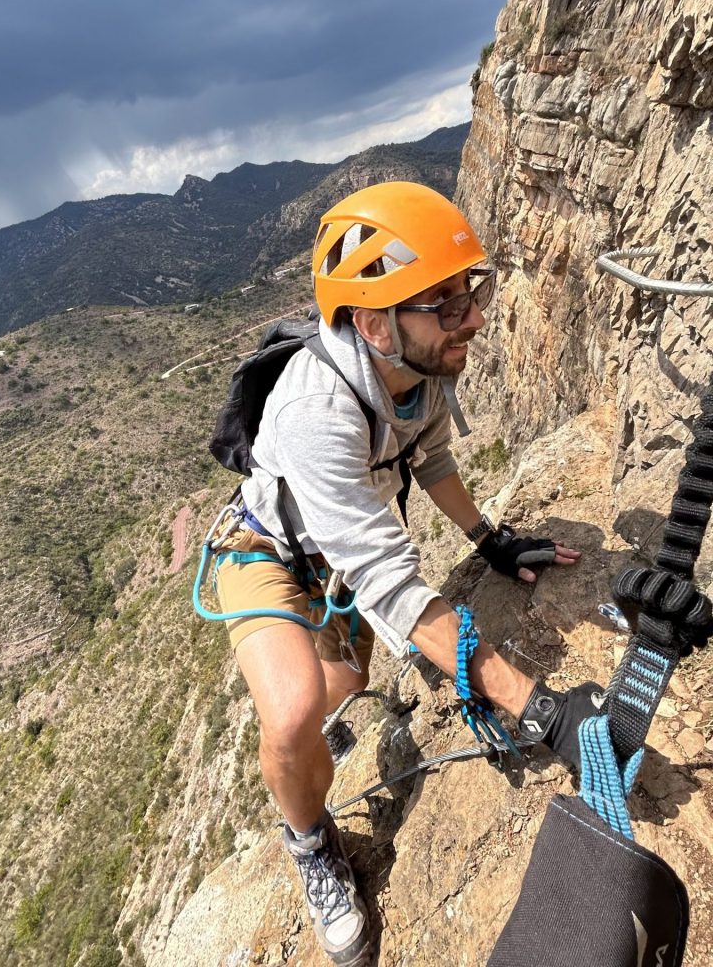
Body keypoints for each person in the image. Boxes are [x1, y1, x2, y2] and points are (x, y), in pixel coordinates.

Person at [212, 181, 603, 966]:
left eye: (470, 293)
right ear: (372, 322)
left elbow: (431, 459)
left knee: (345, 687)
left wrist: (491, 542)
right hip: (266, 556)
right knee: (291, 716)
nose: (474, 318)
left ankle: (311, 745)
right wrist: (536, 706)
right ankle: (309, 841)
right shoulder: (317, 411)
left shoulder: (416, 372)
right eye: (446, 304)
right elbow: (388, 582)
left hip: (337, 565)